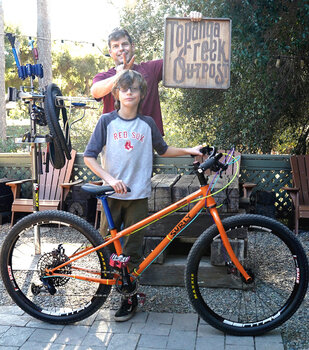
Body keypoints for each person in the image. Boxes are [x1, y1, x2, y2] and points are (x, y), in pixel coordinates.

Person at [84, 70, 202, 322]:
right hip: (111, 197)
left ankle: (129, 297)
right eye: (124, 88)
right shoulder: (106, 121)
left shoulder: (147, 124)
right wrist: (110, 179)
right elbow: (88, 156)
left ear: (141, 94)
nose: (129, 92)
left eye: (134, 89)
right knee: (106, 248)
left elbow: (163, 149)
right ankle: (107, 290)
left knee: (133, 250)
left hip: (137, 197)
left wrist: (189, 150)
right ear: (116, 93)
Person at [91, 11, 203, 135]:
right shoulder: (104, 77)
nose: (121, 48)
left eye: (124, 44)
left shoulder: (150, 69)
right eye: (116, 46)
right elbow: (95, 92)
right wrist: (120, 74)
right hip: (113, 142)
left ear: (133, 46)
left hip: (145, 141)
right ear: (110, 52)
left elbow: (181, 58)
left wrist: (189, 27)